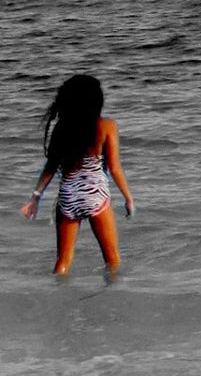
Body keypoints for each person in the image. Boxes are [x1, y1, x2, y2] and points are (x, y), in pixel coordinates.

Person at [21, 74, 134, 275]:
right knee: (112, 258)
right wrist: (128, 198)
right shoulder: (107, 125)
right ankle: (114, 300)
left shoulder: (61, 129)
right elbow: (115, 168)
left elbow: (50, 167)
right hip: (95, 196)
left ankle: (57, 298)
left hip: (68, 197)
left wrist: (35, 198)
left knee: (63, 261)